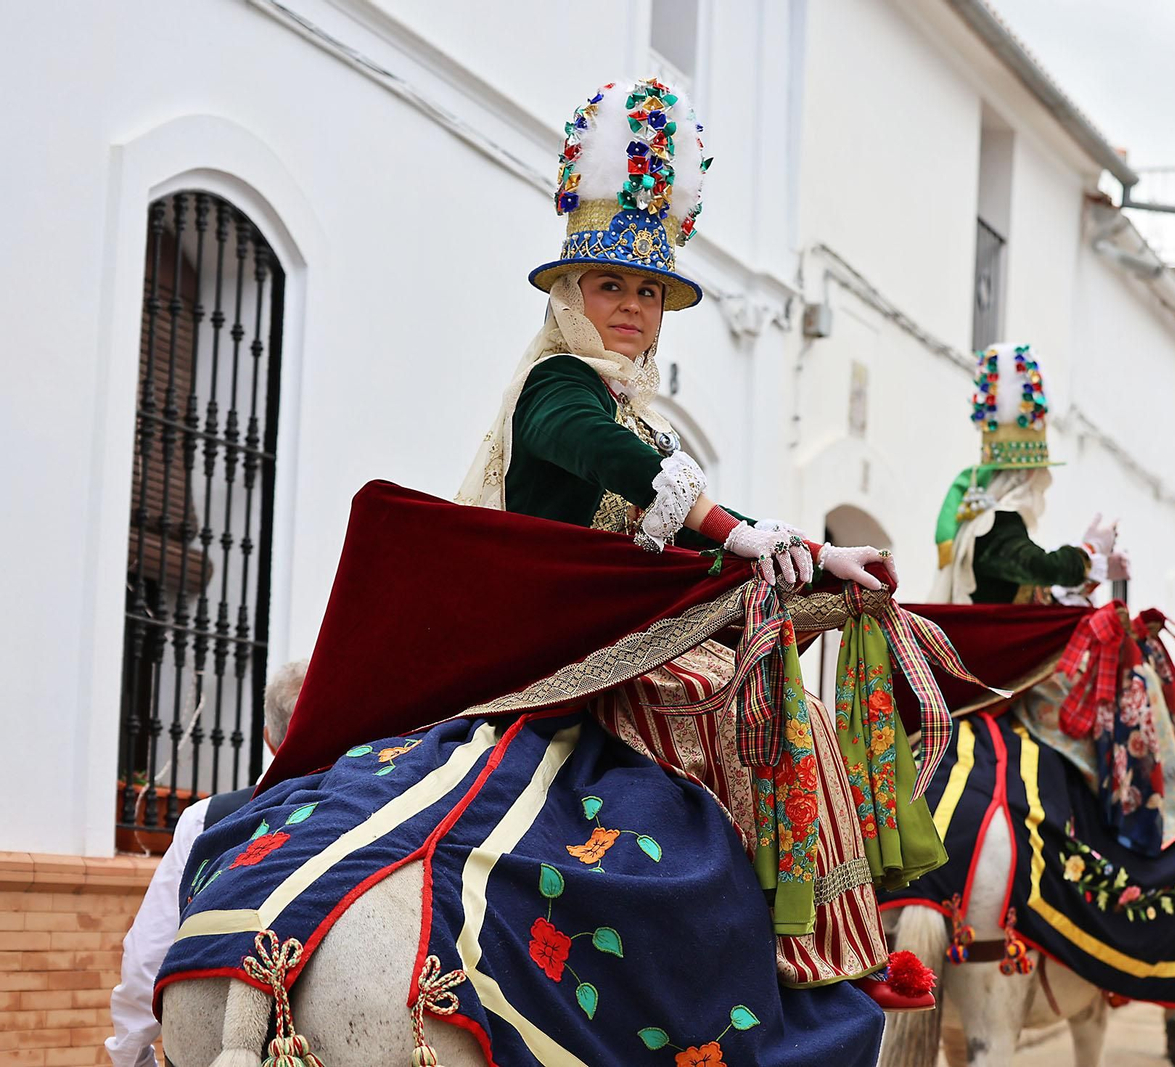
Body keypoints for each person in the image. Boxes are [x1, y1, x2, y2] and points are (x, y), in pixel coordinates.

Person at [159, 77, 940, 1067]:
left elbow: (684, 540)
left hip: (605, 644)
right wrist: (724, 523)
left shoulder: (635, 411)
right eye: (610, 285)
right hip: (568, 664)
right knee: (784, 723)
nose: (629, 306)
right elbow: (594, 455)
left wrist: (813, 558)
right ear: (571, 294)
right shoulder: (561, 385)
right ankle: (805, 974)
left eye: (646, 291)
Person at [884, 344, 1175, 1011]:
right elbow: (1025, 560)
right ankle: (1120, 885)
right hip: (994, 700)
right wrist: (1082, 559)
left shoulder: (969, 521)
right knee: (1080, 771)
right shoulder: (998, 523)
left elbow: (1021, 586)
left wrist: (1077, 576)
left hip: (946, 705)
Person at [106, 661, 303, 1067]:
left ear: (269, 740)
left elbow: (148, 956)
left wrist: (132, 1057)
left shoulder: (207, 820)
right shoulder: (392, 815)